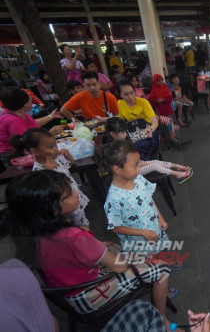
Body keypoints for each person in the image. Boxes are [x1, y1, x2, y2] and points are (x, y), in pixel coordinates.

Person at [6, 170, 178, 331]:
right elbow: (119, 267)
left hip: (65, 291)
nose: (76, 194)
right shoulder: (74, 237)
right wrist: (131, 259)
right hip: (89, 295)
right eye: (69, 194)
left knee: (111, 246)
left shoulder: (29, 233)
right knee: (161, 267)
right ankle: (161, 316)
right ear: (53, 208)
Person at [10, 127, 90, 230]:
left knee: (83, 221)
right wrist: (49, 172)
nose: (55, 149)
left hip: (73, 197)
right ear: (35, 151)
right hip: (64, 204)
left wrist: (68, 155)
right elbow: (49, 193)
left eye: (55, 144)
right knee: (76, 227)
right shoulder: (40, 171)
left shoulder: (57, 158)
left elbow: (72, 163)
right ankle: (87, 242)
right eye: (50, 147)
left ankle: (88, 240)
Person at [103, 117, 193, 184]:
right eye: (122, 133)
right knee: (154, 165)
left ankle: (178, 166)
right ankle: (177, 174)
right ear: (113, 134)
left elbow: (130, 159)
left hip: (134, 166)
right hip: (129, 173)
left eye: (125, 132)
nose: (125, 135)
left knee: (155, 161)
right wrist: (138, 165)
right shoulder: (114, 149)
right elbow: (123, 167)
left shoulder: (121, 142)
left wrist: (139, 162)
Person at [0, 89, 63, 159]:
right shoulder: (13, 120)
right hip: (15, 155)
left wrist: (51, 116)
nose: (31, 100)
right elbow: (29, 142)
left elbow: (33, 123)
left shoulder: (19, 112)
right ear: (24, 104)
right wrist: (50, 133)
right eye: (29, 98)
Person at [116, 80, 159, 161]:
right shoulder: (120, 103)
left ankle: (142, 166)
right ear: (119, 95)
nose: (130, 97)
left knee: (131, 149)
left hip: (148, 133)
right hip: (133, 135)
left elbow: (155, 122)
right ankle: (144, 166)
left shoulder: (143, 102)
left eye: (132, 93)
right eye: (126, 94)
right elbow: (120, 118)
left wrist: (150, 129)